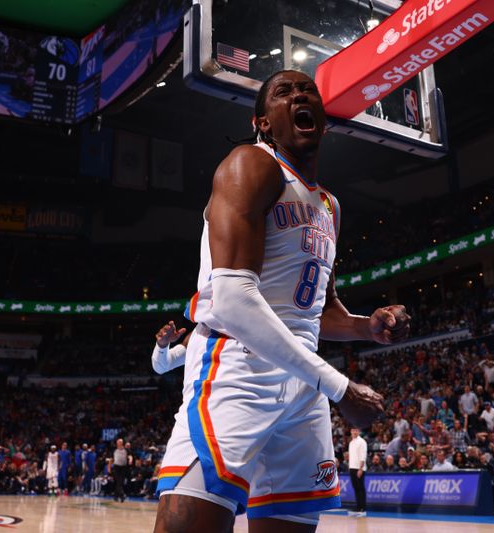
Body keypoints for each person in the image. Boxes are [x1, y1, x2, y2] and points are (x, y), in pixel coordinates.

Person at [154, 69, 409, 533]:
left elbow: (318, 309)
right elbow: (233, 298)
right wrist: (339, 387)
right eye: (283, 92)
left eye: (306, 90)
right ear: (264, 122)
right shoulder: (250, 165)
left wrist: (364, 325)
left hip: (301, 383)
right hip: (239, 368)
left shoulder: (329, 204)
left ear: (323, 119)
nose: (299, 96)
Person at [348, 427, 368, 517]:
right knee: (356, 488)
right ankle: (358, 507)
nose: (355, 432)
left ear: (359, 431)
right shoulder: (351, 443)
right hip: (352, 467)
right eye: (353, 430)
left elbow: (363, 456)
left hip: (359, 468)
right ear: (351, 431)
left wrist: (360, 468)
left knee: (360, 488)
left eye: (356, 430)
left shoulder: (362, 442)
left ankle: (363, 508)